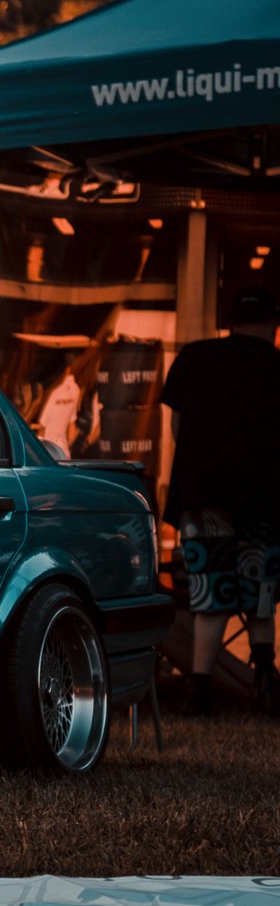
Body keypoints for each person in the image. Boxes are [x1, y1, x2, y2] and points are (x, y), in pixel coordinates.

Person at [162, 286, 280, 715]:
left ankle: (199, 690)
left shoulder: (193, 357)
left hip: (201, 493)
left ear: (229, 322)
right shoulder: (275, 365)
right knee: (260, 588)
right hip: (263, 498)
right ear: (272, 324)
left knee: (209, 595)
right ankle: (266, 680)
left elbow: (177, 430)